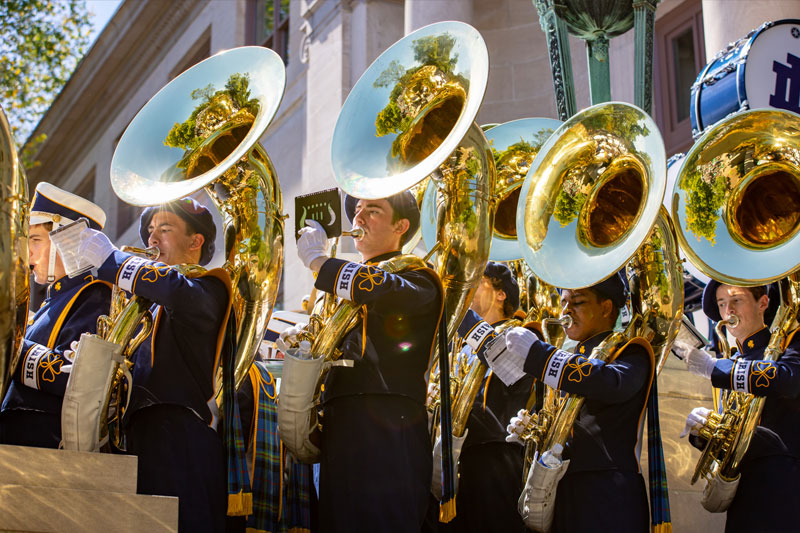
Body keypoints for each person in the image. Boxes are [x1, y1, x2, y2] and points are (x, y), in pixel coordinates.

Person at [77, 197, 229, 532]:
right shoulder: (148, 304)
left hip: (179, 439)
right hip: (136, 435)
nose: (151, 239)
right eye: (150, 230)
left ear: (195, 241)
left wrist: (113, 261)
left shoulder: (208, 287)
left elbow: (176, 291)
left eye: (165, 229)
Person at [293, 191, 443, 532]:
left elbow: (381, 288)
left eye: (372, 211)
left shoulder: (420, 277)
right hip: (339, 419)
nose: (358, 219)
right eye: (357, 211)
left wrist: (319, 261)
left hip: (390, 422)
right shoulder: (343, 287)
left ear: (401, 226)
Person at [504, 274, 653, 532]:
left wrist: (541, 355)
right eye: (563, 302)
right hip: (562, 489)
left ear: (606, 307)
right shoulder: (568, 360)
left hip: (606, 492)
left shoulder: (630, 350)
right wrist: (533, 432)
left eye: (578, 302)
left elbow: (612, 383)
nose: (566, 310)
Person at [676, 280, 800, 532]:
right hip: (745, 495)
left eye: (736, 300)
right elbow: (730, 443)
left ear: (762, 303)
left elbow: (787, 380)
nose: (728, 310)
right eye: (722, 304)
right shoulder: (731, 363)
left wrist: (714, 368)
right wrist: (705, 433)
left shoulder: (789, 344)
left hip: (785, 486)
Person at [0, 182, 110, 448]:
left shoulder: (94, 294)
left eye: (35, 240)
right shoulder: (47, 306)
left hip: (43, 444)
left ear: (67, 240)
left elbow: (72, 377)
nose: (28, 252)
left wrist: (10, 340)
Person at [445, 261, 532, 532]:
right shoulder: (462, 344)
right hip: (460, 456)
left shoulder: (521, 333)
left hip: (497, 458)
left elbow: (506, 362)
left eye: (476, 281)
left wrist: (460, 313)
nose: (468, 288)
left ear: (500, 292)